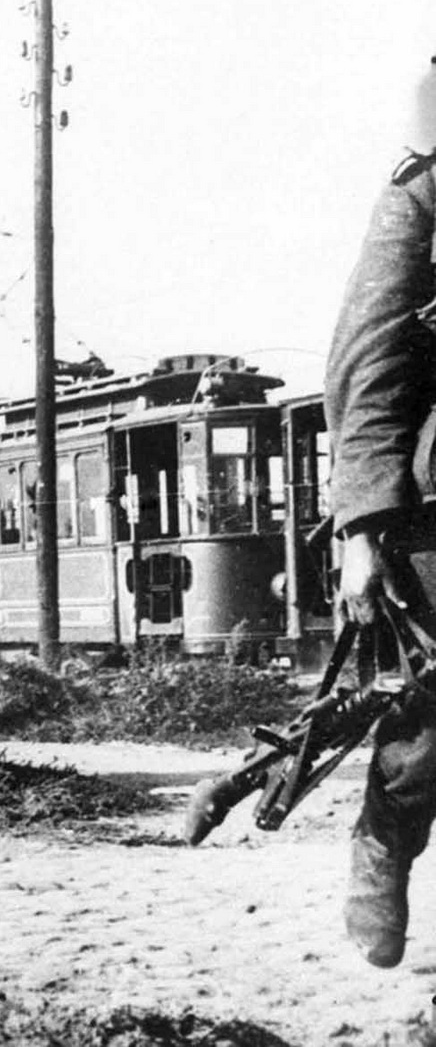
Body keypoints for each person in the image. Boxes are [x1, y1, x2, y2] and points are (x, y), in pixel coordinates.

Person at [327, 68, 436, 974]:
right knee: (427, 734)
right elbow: (370, 364)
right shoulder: (422, 194)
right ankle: (384, 846)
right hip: (435, 523)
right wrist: (362, 526)